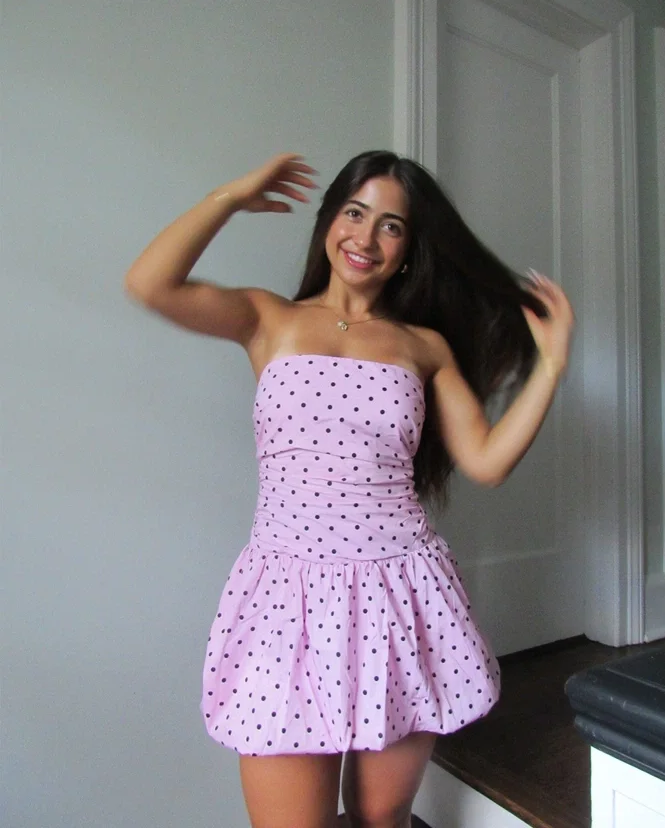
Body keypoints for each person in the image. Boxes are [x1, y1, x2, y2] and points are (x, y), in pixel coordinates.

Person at [124, 151, 574, 828]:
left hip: (400, 592)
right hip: (289, 598)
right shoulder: (267, 317)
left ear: (410, 248)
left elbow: (485, 461)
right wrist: (229, 198)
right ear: (329, 219)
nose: (366, 237)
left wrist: (552, 365)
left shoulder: (423, 345)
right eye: (354, 213)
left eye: (392, 226)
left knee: (381, 817)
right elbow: (150, 283)